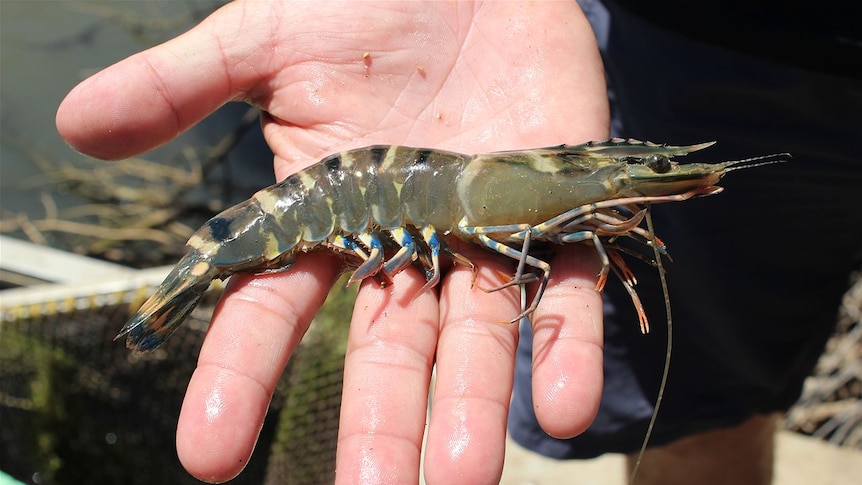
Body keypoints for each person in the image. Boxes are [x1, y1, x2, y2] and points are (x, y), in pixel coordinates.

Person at [55, 1, 861, 485]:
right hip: (710, 34)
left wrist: (632, 181)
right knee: (703, 402)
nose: (617, 180)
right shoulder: (504, 220)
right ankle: (191, 280)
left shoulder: (561, 187)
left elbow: (584, 190)